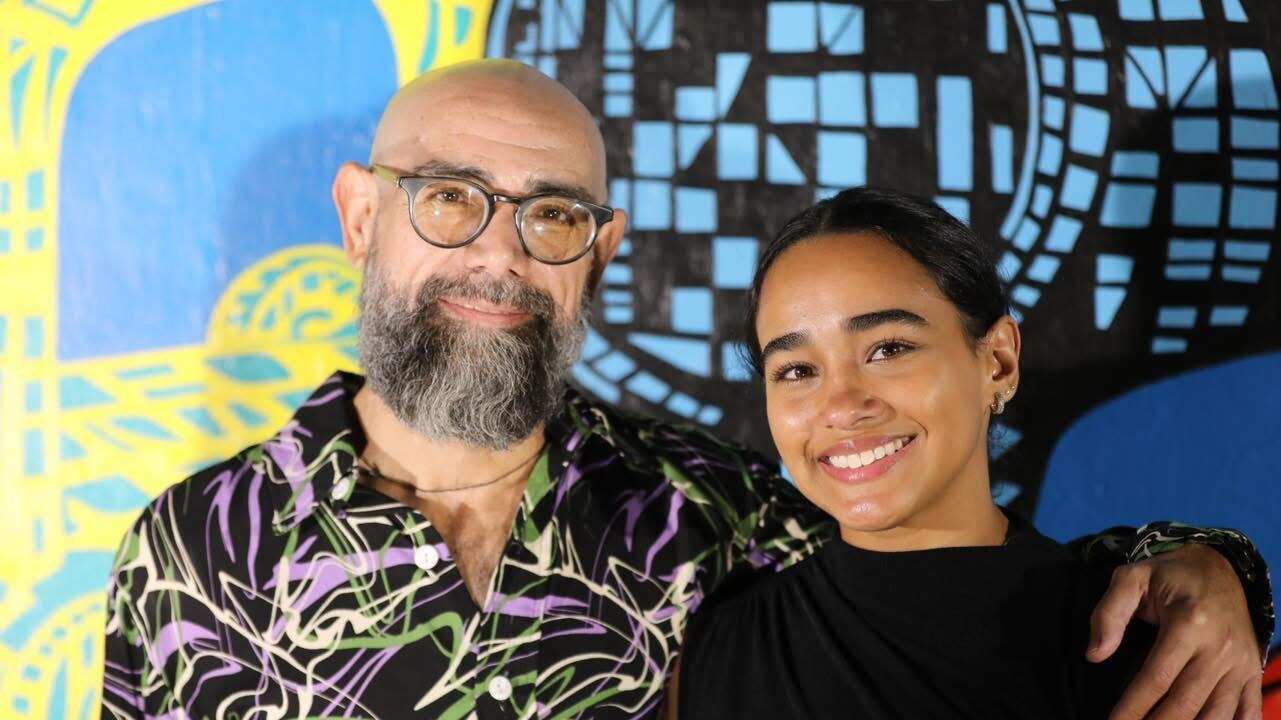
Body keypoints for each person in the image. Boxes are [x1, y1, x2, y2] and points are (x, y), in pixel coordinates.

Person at [101, 60, 1271, 719]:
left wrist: (1213, 566)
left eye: (551, 214)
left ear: (600, 251)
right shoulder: (191, 552)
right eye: (449, 197)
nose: (499, 255)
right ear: (362, 215)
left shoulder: (713, 509)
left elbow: (959, 573)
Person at [677, 188, 1270, 719]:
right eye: (797, 369)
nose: (842, 405)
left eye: (888, 348)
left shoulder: (1148, 645)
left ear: (997, 361)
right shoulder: (710, 650)